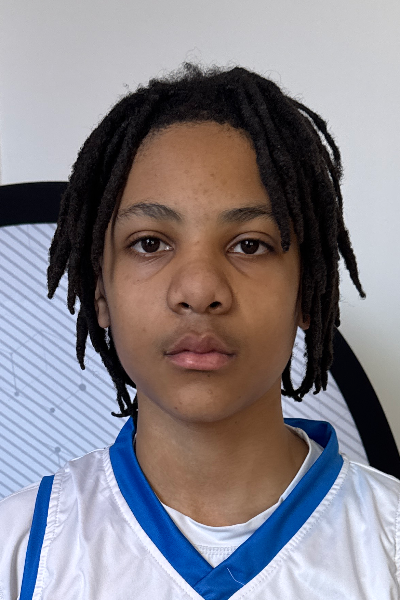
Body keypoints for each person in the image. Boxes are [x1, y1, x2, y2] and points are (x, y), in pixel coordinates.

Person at [1, 63, 399, 600]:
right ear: (100, 293)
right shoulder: (19, 551)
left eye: (250, 244)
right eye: (150, 243)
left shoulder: (390, 544)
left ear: (307, 291)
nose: (199, 289)